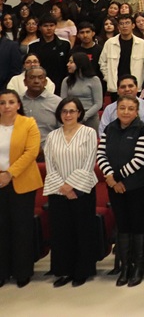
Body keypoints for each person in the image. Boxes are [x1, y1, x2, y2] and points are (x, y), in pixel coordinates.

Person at [98, 94, 144, 287]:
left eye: (131, 108)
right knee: (122, 225)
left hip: (138, 185)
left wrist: (116, 177)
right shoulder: (109, 128)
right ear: (116, 109)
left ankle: (138, 267)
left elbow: (140, 159)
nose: (126, 112)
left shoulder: (143, 129)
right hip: (115, 186)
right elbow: (101, 154)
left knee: (137, 224)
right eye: (122, 108)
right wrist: (111, 179)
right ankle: (125, 267)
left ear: (137, 111)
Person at [43, 97, 98, 288]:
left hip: (82, 190)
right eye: (64, 111)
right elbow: (50, 165)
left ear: (80, 113)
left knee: (82, 231)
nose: (68, 115)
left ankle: (82, 271)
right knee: (61, 232)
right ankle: (64, 271)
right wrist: (63, 187)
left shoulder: (89, 133)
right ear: (59, 114)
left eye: (72, 111)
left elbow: (89, 162)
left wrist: (72, 186)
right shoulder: (52, 136)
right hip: (58, 192)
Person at [0, 89, 41, 287]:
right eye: (2, 103)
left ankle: (22, 272)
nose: (6, 106)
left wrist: (9, 173)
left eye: (10, 102)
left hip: (22, 182)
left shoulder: (28, 123)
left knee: (21, 229)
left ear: (18, 104)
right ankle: (2, 271)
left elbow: (31, 152)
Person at [99, 14, 144, 99]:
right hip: (116, 86)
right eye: (121, 23)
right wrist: (108, 77)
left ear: (133, 25)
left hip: (135, 86)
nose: (124, 26)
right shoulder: (110, 43)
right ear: (118, 27)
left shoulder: (142, 44)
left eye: (127, 23)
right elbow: (102, 62)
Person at [58, 52, 102, 131]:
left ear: (80, 63)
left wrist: (83, 116)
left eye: (71, 62)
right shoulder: (66, 81)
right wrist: (73, 116)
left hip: (90, 119)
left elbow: (98, 103)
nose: (68, 64)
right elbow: (63, 101)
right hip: (71, 116)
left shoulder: (94, 80)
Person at [21, 66, 61, 147]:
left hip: (49, 152)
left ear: (45, 82)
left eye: (40, 78)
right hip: (18, 152)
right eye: (32, 77)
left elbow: (64, 131)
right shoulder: (16, 102)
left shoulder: (57, 102)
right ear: (25, 82)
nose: (36, 81)